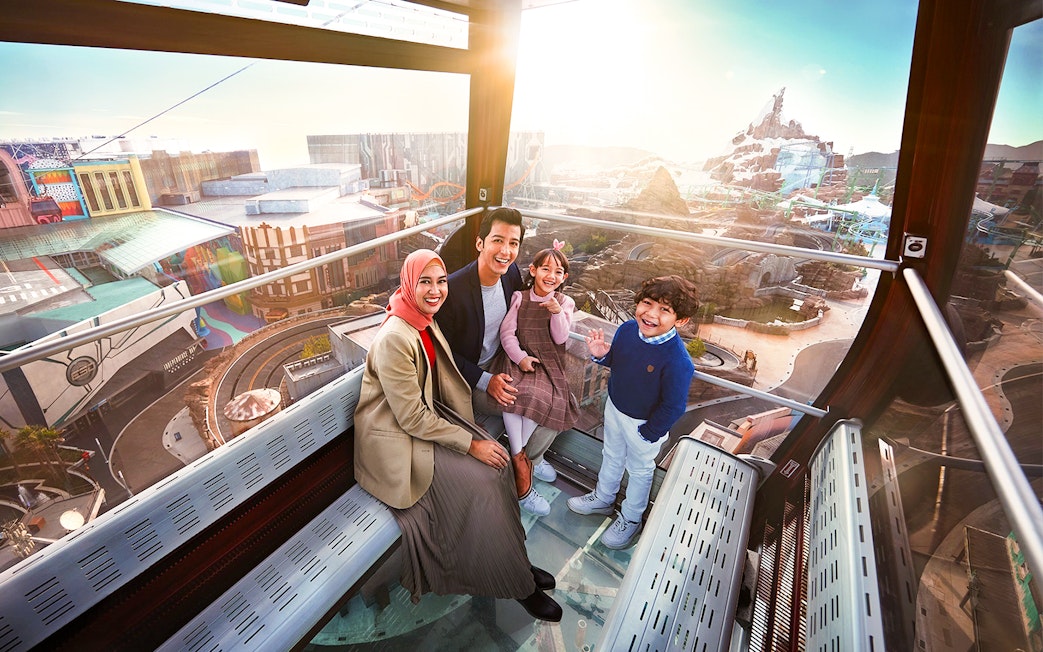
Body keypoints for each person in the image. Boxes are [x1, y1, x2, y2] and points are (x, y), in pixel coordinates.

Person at [354, 249, 562, 622]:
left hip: (424, 421)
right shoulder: (395, 338)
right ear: (408, 283)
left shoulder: (420, 318)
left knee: (499, 469)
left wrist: (475, 433)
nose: (435, 291)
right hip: (396, 440)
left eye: (441, 281)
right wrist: (471, 442)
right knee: (484, 480)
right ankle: (517, 583)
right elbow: (411, 417)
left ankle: (516, 562)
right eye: (425, 282)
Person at [567, 275, 699, 550]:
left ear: (681, 320)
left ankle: (631, 518)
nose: (651, 314)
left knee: (640, 472)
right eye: (647, 303)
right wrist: (602, 354)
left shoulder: (677, 360)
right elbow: (618, 361)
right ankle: (603, 498)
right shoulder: (628, 329)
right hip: (615, 408)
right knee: (611, 455)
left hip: (645, 424)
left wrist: (648, 434)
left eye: (665, 310)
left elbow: (674, 405)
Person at [437, 207, 561, 490]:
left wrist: (559, 311)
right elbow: (443, 353)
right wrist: (486, 381)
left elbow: (523, 313)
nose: (505, 251)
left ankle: (532, 458)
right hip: (470, 379)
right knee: (536, 403)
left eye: (513, 243)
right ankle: (522, 465)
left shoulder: (510, 274)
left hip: (505, 361)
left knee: (560, 394)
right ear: (480, 243)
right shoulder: (453, 291)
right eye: (497, 240)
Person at [491, 242, 581, 516]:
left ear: (564, 277)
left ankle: (518, 455)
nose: (551, 276)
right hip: (520, 359)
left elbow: (561, 337)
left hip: (548, 362)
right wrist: (520, 358)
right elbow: (507, 334)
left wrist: (555, 311)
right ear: (533, 270)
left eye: (558, 272)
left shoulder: (566, 303)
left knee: (541, 398)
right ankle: (521, 459)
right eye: (545, 269)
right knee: (515, 392)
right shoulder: (519, 297)